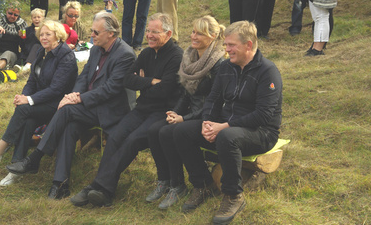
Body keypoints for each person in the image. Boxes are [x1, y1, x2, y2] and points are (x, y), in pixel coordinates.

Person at [6, 12, 135, 200]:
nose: (92, 35)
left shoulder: (125, 55)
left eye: (96, 32)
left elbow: (110, 90)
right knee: (68, 124)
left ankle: (35, 159)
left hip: (110, 110)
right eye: (92, 31)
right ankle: (60, 184)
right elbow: (83, 77)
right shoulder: (96, 49)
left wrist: (78, 99)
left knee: (66, 110)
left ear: (111, 34)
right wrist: (73, 94)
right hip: (90, 105)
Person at [171, 21, 283, 225]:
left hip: (261, 132)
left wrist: (224, 126)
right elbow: (213, 99)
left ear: (248, 45)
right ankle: (203, 184)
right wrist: (207, 123)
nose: (227, 50)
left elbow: (263, 115)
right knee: (181, 131)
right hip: (227, 127)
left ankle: (234, 196)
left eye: (231, 45)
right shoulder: (226, 67)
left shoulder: (267, 72)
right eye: (226, 45)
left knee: (227, 136)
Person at [69, 13, 183, 207]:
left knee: (131, 141)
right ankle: (101, 188)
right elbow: (127, 81)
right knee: (115, 136)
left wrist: (144, 83)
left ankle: (100, 188)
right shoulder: (147, 53)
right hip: (141, 109)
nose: (149, 35)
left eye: (154, 32)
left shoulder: (176, 56)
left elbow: (165, 91)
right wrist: (151, 82)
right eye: (147, 31)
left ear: (168, 33)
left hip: (162, 112)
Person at [0, 20, 78, 186]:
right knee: (27, 119)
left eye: (48, 34)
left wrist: (29, 100)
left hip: (59, 105)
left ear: (57, 36)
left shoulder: (66, 56)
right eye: (41, 34)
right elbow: (31, 81)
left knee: (24, 110)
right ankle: (16, 169)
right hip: (41, 101)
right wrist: (23, 96)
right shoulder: (40, 52)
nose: (43, 37)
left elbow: (57, 89)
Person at [146, 16, 226, 210]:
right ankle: (171, 182)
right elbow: (186, 92)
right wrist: (175, 112)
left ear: (213, 36)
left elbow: (214, 103)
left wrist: (184, 118)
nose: (193, 36)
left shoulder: (219, 64)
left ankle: (202, 184)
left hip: (211, 117)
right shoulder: (190, 57)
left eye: (199, 33)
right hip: (193, 112)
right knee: (155, 130)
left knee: (173, 132)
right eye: (193, 32)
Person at [19, 8, 45, 73]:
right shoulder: (27, 30)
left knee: (36, 46)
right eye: (34, 17)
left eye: (39, 17)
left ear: (43, 18)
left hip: (39, 53)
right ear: (31, 19)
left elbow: (44, 43)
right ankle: (22, 66)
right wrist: (21, 37)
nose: (36, 19)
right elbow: (22, 45)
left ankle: (27, 66)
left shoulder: (45, 29)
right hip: (27, 53)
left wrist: (37, 34)